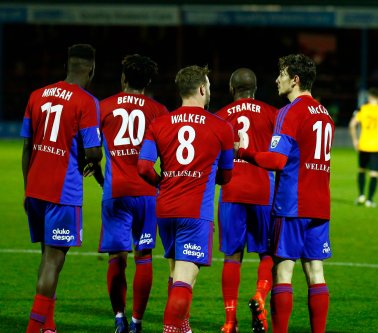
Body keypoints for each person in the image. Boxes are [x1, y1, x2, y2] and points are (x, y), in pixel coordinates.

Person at [236, 54, 333, 333]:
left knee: (283, 273)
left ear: (295, 79)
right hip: (320, 204)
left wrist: (242, 152)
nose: (277, 79)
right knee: (316, 274)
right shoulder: (324, 113)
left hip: (292, 204)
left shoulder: (290, 112)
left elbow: (277, 161)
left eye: (282, 74)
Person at [137, 65, 234, 333]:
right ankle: (172, 329)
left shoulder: (159, 123)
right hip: (195, 212)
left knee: (175, 272)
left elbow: (143, 167)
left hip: (166, 209)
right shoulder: (221, 127)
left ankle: (183, 325)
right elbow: (227, 175)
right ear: (202, 89)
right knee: (184, 279)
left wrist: (163, 182)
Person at [21, 43, 102, 333]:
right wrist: (95, 161)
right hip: (62, 194)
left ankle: (48, 325)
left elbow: (28, 147)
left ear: (66, 66)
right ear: (91, 70)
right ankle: (34, 328)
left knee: (46, 259)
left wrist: (27, 188)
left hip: (35, 190)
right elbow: (93, 152)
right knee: (54, 263)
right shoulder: (86, 101)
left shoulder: (37, 95)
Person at [96, 54, 168, 333]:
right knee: (144, 255)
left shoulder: (104, 107)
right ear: (148, 81)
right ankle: (137, 322)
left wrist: (101, 178)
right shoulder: (159, 110)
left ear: (123, 78)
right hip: (148, 192)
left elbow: (88, 152)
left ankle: (119, 319)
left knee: (117, 257)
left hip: (116, 192)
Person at [215, 68, 278, 333]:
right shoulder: (272, 114)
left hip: (231, 190)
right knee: (268, 252)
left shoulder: (220, 117)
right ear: (255, 89)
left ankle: (230, 321)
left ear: (232, 89)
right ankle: (260, 296)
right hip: (263, 188)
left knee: (232, 256)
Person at [349, 87, 378, 208]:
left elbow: (352, 124)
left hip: (364, 145)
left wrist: (355, 140)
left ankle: (361, 196)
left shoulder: (363, 109)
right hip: (377, 146)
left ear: (369, 97)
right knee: (374, 173)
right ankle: (370, 200)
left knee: (362, 170)